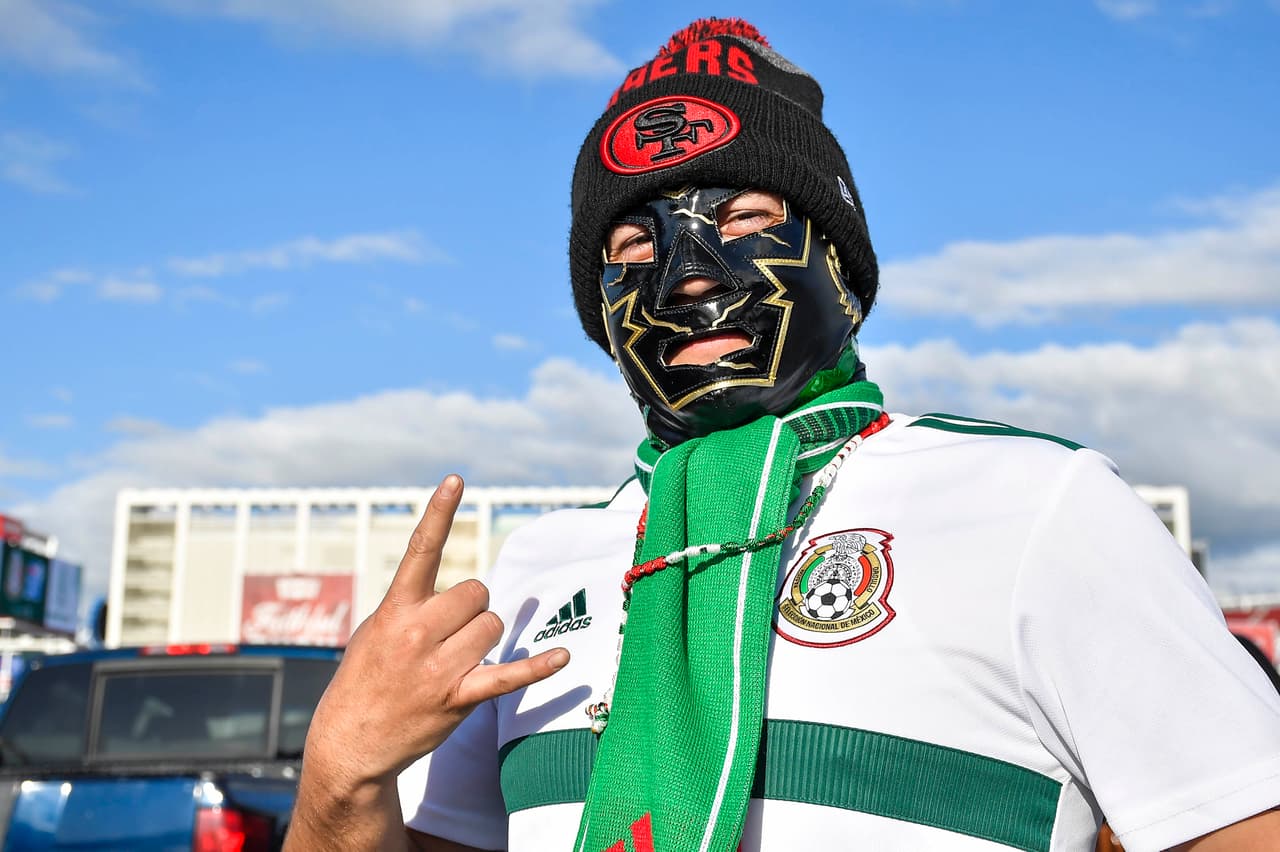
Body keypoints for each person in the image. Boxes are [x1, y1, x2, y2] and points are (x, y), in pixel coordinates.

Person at [285, 18, 1280, 852]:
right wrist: (339, 775)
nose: (688, 275)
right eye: (633, 243)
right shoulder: (535, 571)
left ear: (840, 268)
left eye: (748, 214)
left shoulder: (1034, 507)